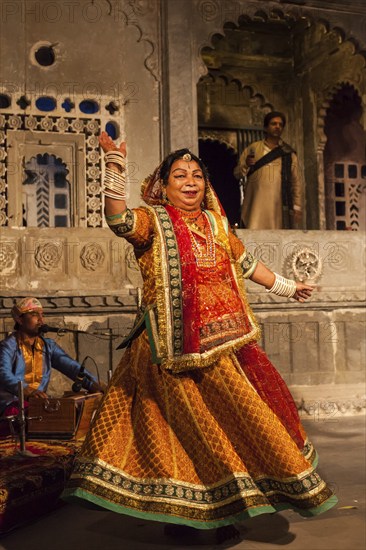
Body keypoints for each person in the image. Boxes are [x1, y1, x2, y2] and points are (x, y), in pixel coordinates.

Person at [63, 134, 337, 544]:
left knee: (229, 428)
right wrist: (115, 165)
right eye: (179, 175)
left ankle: (226, 507)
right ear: (164, 186)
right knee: (177, 433)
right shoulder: (153, 221)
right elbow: (118, 219)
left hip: (222, 347)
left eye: (196, 175)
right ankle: (184, 513)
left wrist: (286, 286)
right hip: (167, 352)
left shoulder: (217, 224)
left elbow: (245, 263)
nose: (190, 181)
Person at [0, 297, 104, 426]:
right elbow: (3, 374)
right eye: (34, 315)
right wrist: (28, 392)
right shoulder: (8, 346)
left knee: (75, 410)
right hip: (11, 405)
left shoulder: (48, 346)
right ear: (20, 319)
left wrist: (95, 384)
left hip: (38, 405)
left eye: (42, 315)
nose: (41, 320)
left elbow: (73, 368)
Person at [234, 111, 303, 229]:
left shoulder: (288, 153)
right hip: (256, 202)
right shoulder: (254, 148)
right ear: (266, 127)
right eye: (274, 124)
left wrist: (297, 206)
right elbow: (237, 173)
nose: (277, 127)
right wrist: (246, 164)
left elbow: (296, 181)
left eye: (280, 125)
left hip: (278, 205)